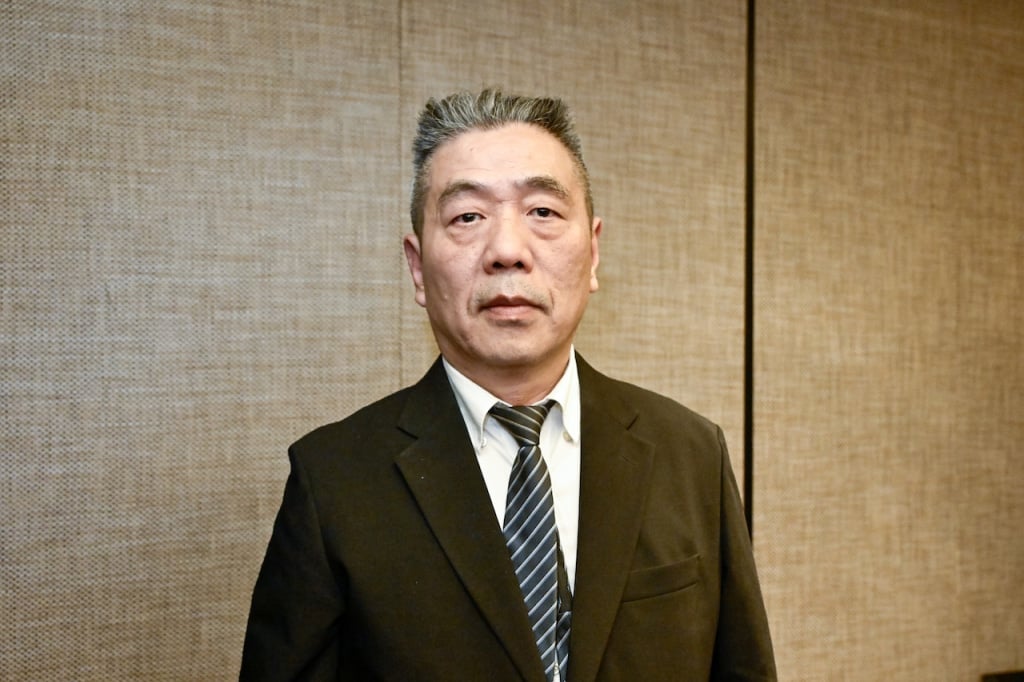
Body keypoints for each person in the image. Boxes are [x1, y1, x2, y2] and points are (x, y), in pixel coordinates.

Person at [240, 88, 776, 681]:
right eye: (468, 217)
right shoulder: (333, 481)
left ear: (593, 251)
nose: (507, 251)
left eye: (542, 212)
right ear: (417, 267)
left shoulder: (692, 453)